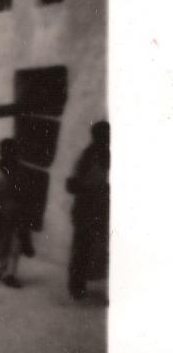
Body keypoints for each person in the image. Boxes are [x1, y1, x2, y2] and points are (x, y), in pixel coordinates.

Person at [66, 121, 110, 300]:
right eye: (103, 135)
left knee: (100, 248)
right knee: (82, 247)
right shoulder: (86, 157)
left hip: (102, 208)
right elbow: (71, 184)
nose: (106, 139)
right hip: (85, 208)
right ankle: (76, 285)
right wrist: (91, 189)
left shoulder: (108, 154)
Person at [0, 138, 34, 288]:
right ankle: (1, 268)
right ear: (1, 153)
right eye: (4, 151)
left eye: (11, 151)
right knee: (0, 242)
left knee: (16, 243)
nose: (8, 155)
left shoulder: (21, 170)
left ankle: (10, 274)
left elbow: (26, 193)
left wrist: (25, 213)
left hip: (17, 211)